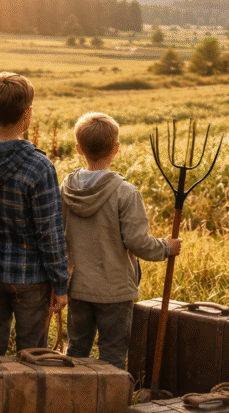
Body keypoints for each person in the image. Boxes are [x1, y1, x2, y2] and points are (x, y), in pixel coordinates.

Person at [59, 112, 181, 369]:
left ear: (79, 149)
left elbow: (59, 235)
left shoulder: (66, 188)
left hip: (77, 286)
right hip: (114, 291)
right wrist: (166, 248)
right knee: (113, 354)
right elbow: (137, 242)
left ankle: (71, 402)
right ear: (116, 149)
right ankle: (110, 408)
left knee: (76, 350)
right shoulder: (125, 192)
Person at [0, 72, 68, 356]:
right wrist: (60, 283)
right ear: (28, 114)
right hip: (30, 277)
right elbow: (50, 232)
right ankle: (28, 400)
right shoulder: (39, 167)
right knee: (33, 352)